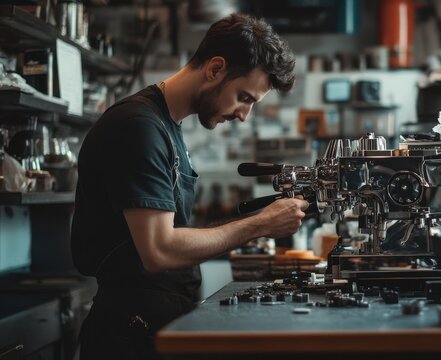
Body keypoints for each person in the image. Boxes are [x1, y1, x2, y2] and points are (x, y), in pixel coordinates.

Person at [70, 13, 308, 360]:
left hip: (154, 324)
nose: (244, 115)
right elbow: (160, 250)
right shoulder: (139, 127)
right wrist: (261, 224)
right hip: (128, 335)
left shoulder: (167, 128)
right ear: (215, 69)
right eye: (244, 97)